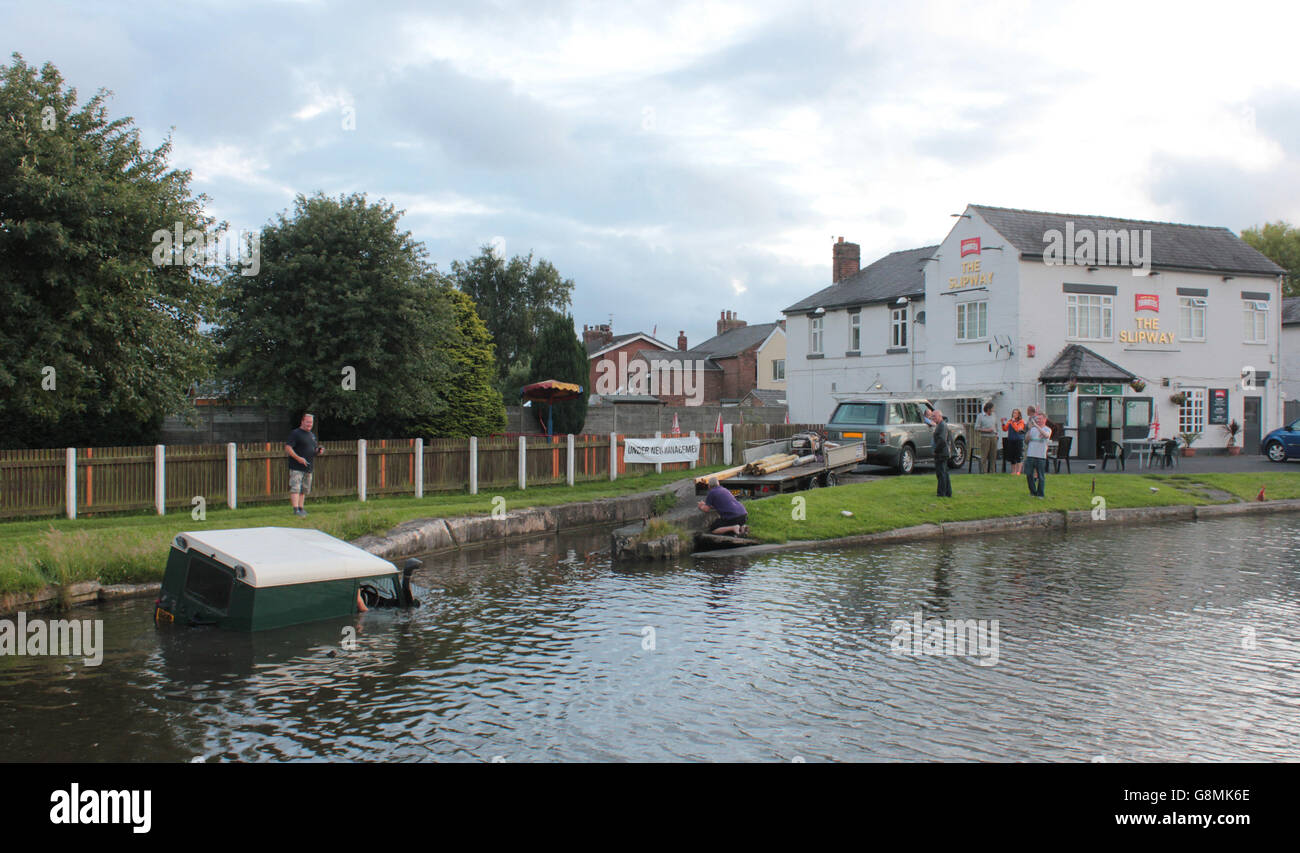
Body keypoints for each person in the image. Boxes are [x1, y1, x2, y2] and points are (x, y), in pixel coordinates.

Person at [286, 413, 324, 517]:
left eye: (311, 422)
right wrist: (298, 458)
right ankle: (295, 509)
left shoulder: (312, 435)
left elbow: (314, 450)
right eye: (307, 422)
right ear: (302, 421)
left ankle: (301, 508)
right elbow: (288, 448)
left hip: (308, 466)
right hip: (296, 466)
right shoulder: (295, 433)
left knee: (304, 489)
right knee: (295, 487)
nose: (309, 424)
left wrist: (318, 451)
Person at [925, 407, 953, 497]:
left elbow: (942, 441)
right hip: (943, 452)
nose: (933, 418)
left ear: (940, 416)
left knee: (941, 474)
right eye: (932, 416)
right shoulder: (941, 425)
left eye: (934, 416)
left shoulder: (941, 426)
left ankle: (941, 493)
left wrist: (935, 450)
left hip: (941, 453)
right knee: (944, 473)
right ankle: (948, 492)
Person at [1024, 412, 1052, 498]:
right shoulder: (1032, 429)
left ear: (1044, 419)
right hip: (1031, 454)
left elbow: (1046, 436)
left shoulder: (1047, 429)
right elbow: (1026, 441)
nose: (1038, 420)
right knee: (1029, 474)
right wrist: (1029, 430)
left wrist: (1037, 426)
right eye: (1037, 419)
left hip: (1041, 456)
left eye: (1040, 419)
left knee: (1040, 476)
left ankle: (1040, 494)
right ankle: (1033, 492)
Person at [975, 401, 999, 473]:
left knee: (993, 456)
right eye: (992, 408)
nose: (993, 410)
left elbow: (996, 426)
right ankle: (983, 472)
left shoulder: (994, 415)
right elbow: (976, 428)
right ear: (988, 409)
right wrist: (986, 430)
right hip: (985, 438)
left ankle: (992, 472)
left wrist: (996, 434)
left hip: (993, 437)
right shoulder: (980, 416)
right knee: (984, 456)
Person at [1003, 408, 1026, 476]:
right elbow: (1005, 429)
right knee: (1012, 456)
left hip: (1018, 440)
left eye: (1016, 413)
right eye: (1013, 413)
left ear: (1019, 414)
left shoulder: (1021, 422)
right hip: (1011, 440)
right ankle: (1013, 471)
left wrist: (1013, 422)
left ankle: (1018, 471)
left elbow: (1017, 429)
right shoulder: (1010, 421)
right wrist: (1003, 423)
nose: (1014, 414)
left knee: (1018, 455)